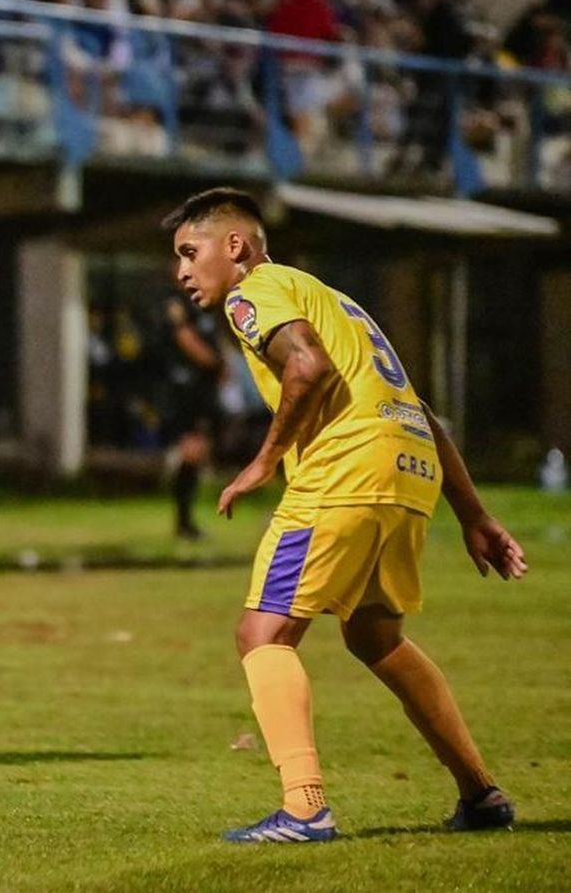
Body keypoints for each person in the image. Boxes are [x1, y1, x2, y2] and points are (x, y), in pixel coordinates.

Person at [164, 187, 527, 843]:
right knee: (375, 637)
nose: (183, 271)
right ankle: (482, 792)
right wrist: (474, 514)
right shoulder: (338, 301)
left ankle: (304, 808)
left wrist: (265, 459)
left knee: (262, 634)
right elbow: (419, 407)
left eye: (191, 253)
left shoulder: (255, 293)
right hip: (408, 466)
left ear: (236, 247)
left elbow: (307, 366)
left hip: (344, 470)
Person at [160, 290, 223, 540]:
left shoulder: (204, 301)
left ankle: (185, 522)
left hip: (202, 392)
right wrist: (214, 362)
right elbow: (186, 338)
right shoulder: (176, 303)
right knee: (191, 453)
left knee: (197, 455)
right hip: (186, 393)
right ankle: (184, 522)